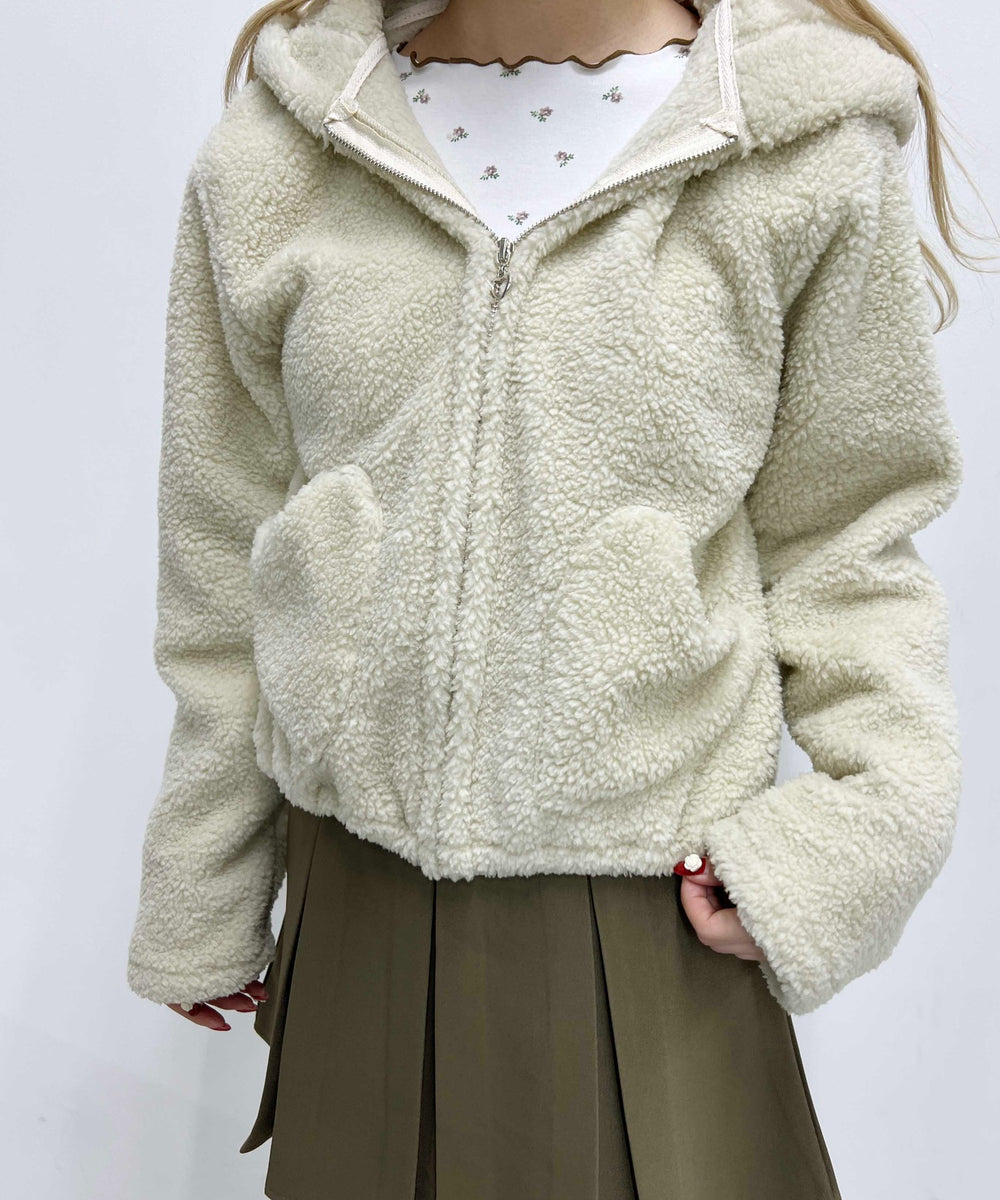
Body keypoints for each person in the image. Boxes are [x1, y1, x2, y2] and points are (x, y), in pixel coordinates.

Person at [126, 1, 992, 1196]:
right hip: (356, 911)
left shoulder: (799, 146)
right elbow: (222, 560)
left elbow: (852, 545)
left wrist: (849, 844)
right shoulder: (279, 154)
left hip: (653, 927)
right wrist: (205, 882)